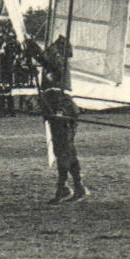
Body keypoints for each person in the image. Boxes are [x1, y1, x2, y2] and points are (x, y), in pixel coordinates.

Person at [25, 35, 84, 204]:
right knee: (66, 150)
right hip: (59, 109)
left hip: (62, 109)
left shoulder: (59, 64)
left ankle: (64, 188)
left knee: (63, 150)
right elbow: (43, 60)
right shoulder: (58, 66)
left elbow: (44, 58)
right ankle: (74, 187)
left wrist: (29, 44)